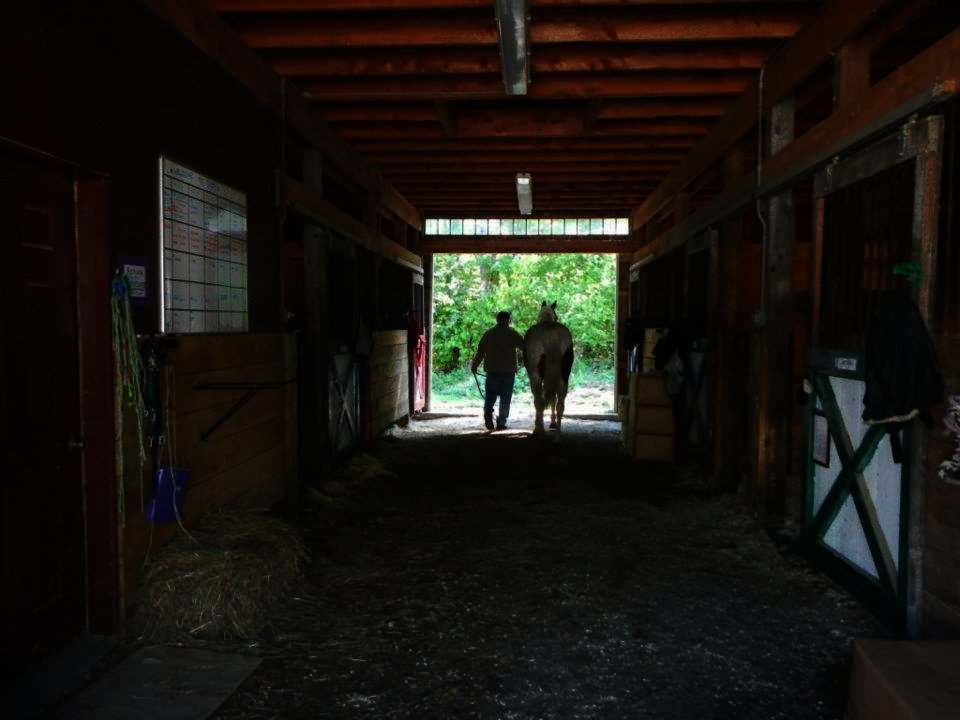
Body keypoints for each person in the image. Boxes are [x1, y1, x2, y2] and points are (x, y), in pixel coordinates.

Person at [470, 310, 525, 431]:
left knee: (490, 396)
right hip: (508, 371)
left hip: (492, 370)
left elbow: (480, 352)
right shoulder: (513, 333)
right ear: (509, 320)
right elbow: (525, 347)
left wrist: (474, 366)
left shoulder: (489, 334)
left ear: (497, 320)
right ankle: (501, 423)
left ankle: (488, 413)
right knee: (506, 398)